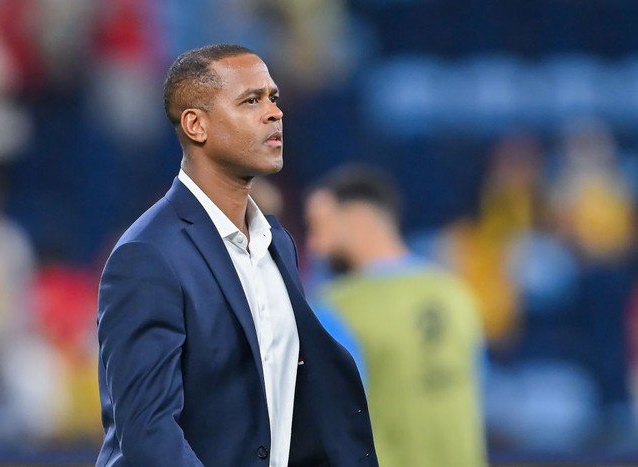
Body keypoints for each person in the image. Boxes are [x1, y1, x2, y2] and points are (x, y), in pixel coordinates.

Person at [96, 44, 377, 467]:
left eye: (273, 98)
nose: (274, 113)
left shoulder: (275, 242)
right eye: (251, 101)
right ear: (196, 125)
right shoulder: (148, 255)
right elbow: (148, 432)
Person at [304, 165, 487, 467]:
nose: (315, 244)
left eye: (319, 226)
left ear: (359, 219)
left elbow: (331, 424)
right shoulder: (456, 293)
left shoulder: (335, 308)